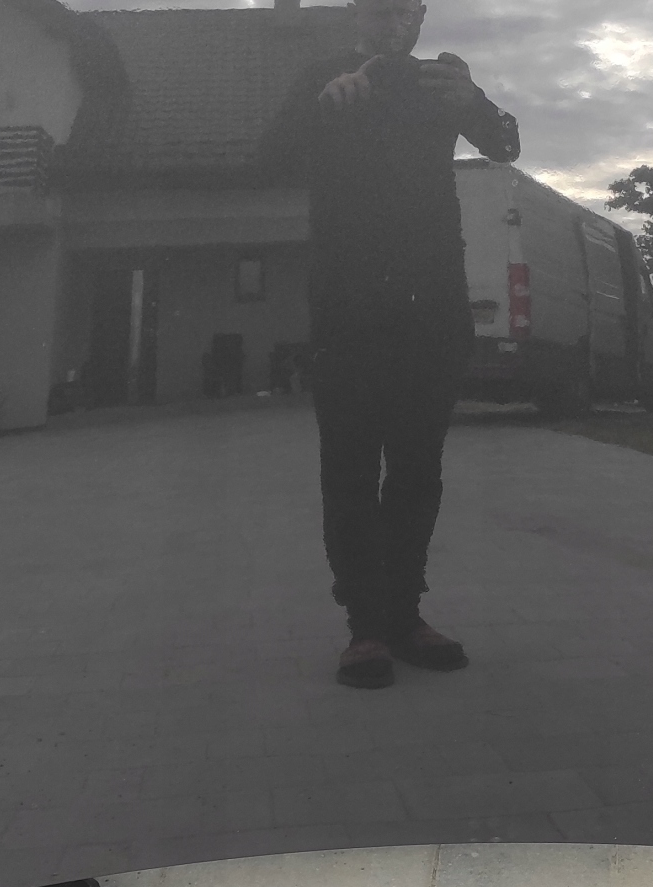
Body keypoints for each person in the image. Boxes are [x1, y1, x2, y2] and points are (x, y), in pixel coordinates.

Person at [263, 0, 521, 690]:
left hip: (431, 306)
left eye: (406, 10)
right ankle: (365, 629)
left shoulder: (443, 81)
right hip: (347, 307)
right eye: (380, 9)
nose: (394, 23)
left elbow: (506, 144)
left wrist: (474, 101)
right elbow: (270, 160)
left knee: (417, 468)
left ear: (422, 16)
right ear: (356, 15)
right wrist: (323, 106)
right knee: (349, 468)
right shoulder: (321, 77)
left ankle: (405, 615)